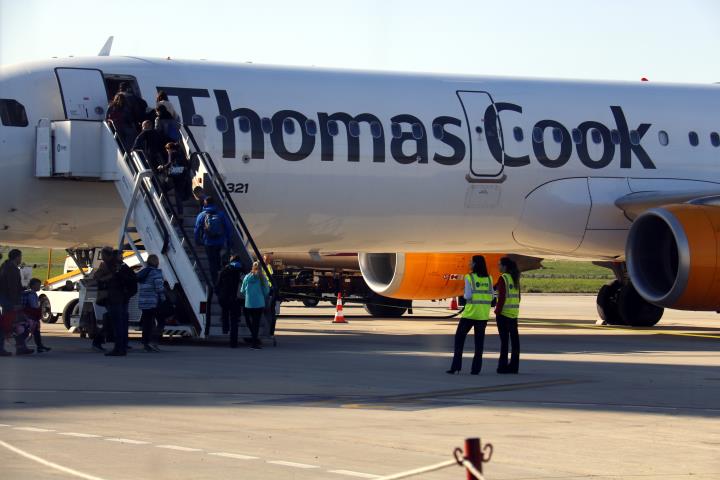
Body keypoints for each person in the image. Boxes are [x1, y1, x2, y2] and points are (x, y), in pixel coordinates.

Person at [447, 255, 493, 375]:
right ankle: (476, 369)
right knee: (479, 344)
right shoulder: (489, 279)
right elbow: (492, 296)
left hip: (470, 314)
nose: (469, 263)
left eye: (471, 262)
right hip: (482, 315)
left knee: (459, 340)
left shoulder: (469, 277)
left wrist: (463, 293)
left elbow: (467, 296)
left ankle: (456, 366)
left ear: (475, 264)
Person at [194, 196, 233, 284]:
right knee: (218, 257)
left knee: (212, 261)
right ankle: (220, 272)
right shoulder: (221, 214)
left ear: (205, 203)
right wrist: (228, 240)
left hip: (208, 242)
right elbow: (228, 228)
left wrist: (197, 241)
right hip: (219, 241)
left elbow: (196, 229)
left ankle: (215, 281)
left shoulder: (202, 215)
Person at [0, 249, 31, 355]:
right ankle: (18, 347)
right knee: (11, 324)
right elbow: (12, 287)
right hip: (10, 301)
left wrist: (22, 288)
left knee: (15, 324)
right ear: (17, 257)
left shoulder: (6, 267)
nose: (21, 259)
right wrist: (15, 304)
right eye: (20, 257)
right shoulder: (11, 269)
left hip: (6, 300)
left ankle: (20, 346)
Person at [495, 257, 521, 374]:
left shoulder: (503, 278)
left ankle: (502, 366)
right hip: (514, 314)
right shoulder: (515, 278)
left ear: (505, 266)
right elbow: (519, 297)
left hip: (504, 314)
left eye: (499, 265)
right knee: (515, 342)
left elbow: (501, 297)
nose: (498, 267)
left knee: (504, 342)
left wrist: (497, 311)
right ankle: (514, 366)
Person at [136, 254, 165, 353]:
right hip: (153, 301)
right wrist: (163, 298)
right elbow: (159, 288)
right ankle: (154, 341)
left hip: (144, 302)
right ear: (156, 262)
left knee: (147, 323)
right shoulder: (156, 273)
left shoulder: (143, 272)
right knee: (161, 321)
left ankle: (145, 343)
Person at [216, 255, 246, 347]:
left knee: (225, 310)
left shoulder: (224, 271)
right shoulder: (241, 271)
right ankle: (233, 343)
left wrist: (219, 294)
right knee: (234, 321)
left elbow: (217, 285)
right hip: (235, 299)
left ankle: (225, 328)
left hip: (224, 297)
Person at [240, 261, 269, 349]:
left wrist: (248, 296)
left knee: (251, 321)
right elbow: (266, 291)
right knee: (256, 323)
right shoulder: (262, 278)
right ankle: (254, 343)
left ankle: (254, 338)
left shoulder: (247, 277)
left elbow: (242, 290)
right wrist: (262, 296)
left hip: (249, 303)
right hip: (259, 303)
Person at [114, 250, 138, 355]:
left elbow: (132, 278)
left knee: (121, 321)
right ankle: (121, 344)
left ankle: (122, 344)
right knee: (120, 321)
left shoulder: (122, 267)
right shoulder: (120, 267)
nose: (122, 257)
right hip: (120, 296)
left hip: (122, 296)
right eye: (120, 255)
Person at [157, 142, 190, 215]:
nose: (167, 151)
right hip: (182, 177)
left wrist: (162, 167)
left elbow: (169, 163)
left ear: (169, 148)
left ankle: (166, 207)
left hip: (173, 176)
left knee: (163, 188)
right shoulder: (181, 153)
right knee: (178, 197)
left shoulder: (172, 153)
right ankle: (180, 216)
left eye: (167, 149)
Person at [22, 278, 51, 353]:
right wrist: (40, 303)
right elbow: (34, 305)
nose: (39, 287)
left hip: (28, 315)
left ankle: (39, 346)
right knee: (30, 331)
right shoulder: (32, 294)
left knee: (35, 331)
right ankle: (23, 346)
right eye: (37, 285)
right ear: (33, 286)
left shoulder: (29, 293)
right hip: (31, 316)